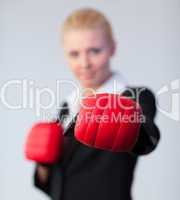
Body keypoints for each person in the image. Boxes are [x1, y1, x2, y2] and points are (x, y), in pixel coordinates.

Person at [24, 8, 160, 200]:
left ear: (112, 48)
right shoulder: (67, 107)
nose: (84, 63)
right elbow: (58, 183)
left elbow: (148, 139)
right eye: (74, 54)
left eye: (94, 51)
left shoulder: (133, 97)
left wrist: (129, 128)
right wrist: (43, 164)